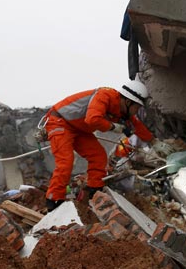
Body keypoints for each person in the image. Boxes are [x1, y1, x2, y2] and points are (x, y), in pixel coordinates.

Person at [42, 79, 171, 211]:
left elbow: (136, 126)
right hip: (59, 122)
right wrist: (113, 126)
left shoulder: (122, 110)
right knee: (66, 161)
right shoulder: (104, 96)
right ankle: (54, 201)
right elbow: (92, 119)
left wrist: (154, 142)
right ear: (128, 102)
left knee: (98, 156)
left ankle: (94, 192)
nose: (136, 111)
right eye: (136, 108)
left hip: (79, 129)